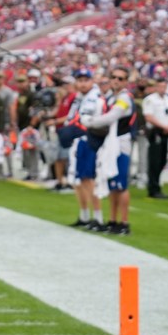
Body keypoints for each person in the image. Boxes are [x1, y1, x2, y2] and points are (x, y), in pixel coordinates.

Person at [82, 65, 136, 235]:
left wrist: (90, 122)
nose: (116, 81)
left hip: (120, 144)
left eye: (120, 78)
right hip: (110, 143)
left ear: (126, 81)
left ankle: (124, 223)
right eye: (114, 77)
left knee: (121, 185)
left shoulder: (124, 98)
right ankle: (112, 220)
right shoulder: (112, 97)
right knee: (112, 183)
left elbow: (112, 116)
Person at [65, 68, 107, 230]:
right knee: (78, 179)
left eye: (85, 80)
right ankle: (84, 215)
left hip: (89, 140)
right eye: (79, 80)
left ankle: (98, 217)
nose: (82, 84)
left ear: (91, 81)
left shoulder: (94, 98)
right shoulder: (79, 97)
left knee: (89, 179)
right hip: (78, 141)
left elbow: (86, 121)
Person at [142, 76, 168, 199]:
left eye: (164, 86)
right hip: (155, 131)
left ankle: (156, 184)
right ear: (156, 87)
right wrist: (164, 126)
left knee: (162, 160)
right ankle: (153, 187)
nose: (162, 89)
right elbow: (149, 117)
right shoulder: (150, 100)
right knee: (154, 161)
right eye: (160, 86)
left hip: (166, 132)